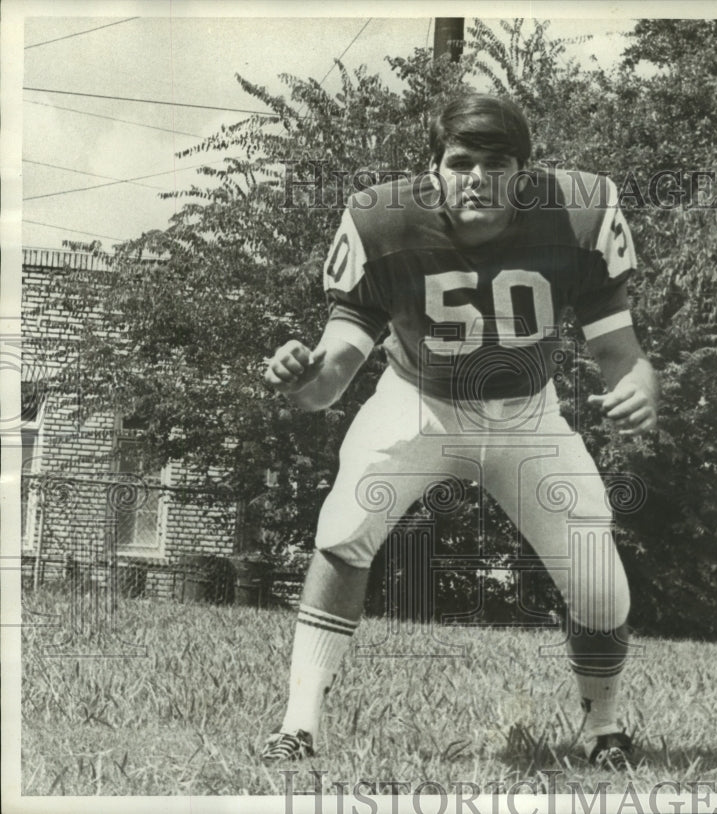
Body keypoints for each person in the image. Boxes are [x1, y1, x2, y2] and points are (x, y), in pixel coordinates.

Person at [261, 94, 657, 770]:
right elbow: (328, 384)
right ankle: (298, 726)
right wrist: (301, 375)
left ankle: (604, 728)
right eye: (461, 162)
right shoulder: (383, 219)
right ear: (434, 168)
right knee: (344, 528)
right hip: (420, 402)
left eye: (497, 164)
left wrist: (640, 383)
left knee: (599, 581)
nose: (477, 178)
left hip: (527, 414)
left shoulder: (578, 213)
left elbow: (619, 345)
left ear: (525, 176)